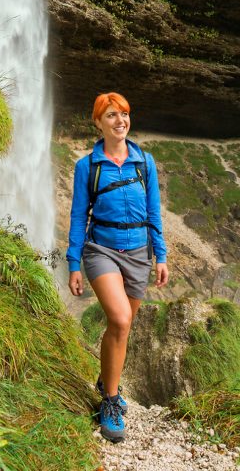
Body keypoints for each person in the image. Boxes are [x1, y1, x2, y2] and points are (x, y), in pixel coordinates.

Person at [67, 92, 169, 442]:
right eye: (111, 115)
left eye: (124, 114)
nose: (120, 121)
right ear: (98, 122)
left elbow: (154, 212)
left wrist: (161, 255)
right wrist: (73, 262)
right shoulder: (88, 167)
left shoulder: (145, 162)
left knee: (121, 328)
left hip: (139, 252)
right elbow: (79, 215)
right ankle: (109, 402)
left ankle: (105, 380)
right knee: (121, 318)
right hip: (101, 251)